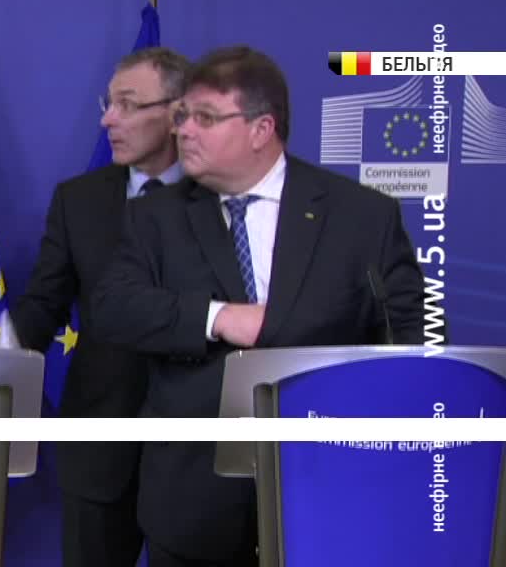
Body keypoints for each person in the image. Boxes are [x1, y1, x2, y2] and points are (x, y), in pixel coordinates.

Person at [91, 45, 426, 566]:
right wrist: (219, 317)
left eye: (205, 117)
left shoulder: (361, 215)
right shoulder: (154, 217)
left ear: (260, 129)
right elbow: (113, 307)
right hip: (194, 503)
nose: (184, 131)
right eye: (182, 116)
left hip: (329, 488)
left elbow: (411, 330)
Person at [0, 47, 191, 567]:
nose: (109, 119)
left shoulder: (222, 199)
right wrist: (3, 358)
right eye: (109, 104)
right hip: (98, 442)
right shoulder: (78, 200)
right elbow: (45, 302)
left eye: (128, 104)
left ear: (177, 114)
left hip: (195, 450)